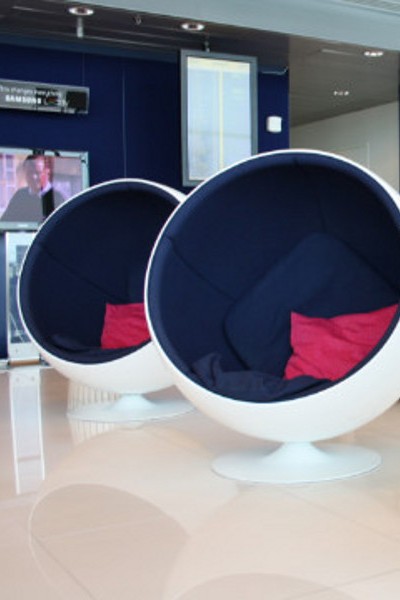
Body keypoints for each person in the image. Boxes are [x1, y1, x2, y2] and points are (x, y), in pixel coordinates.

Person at [1, 154, 65, 222]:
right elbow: (4, 222)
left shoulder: (57, 199)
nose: (34, 177)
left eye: (38, 173)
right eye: (29, 173)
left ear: (47, 172)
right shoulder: (20, 195)